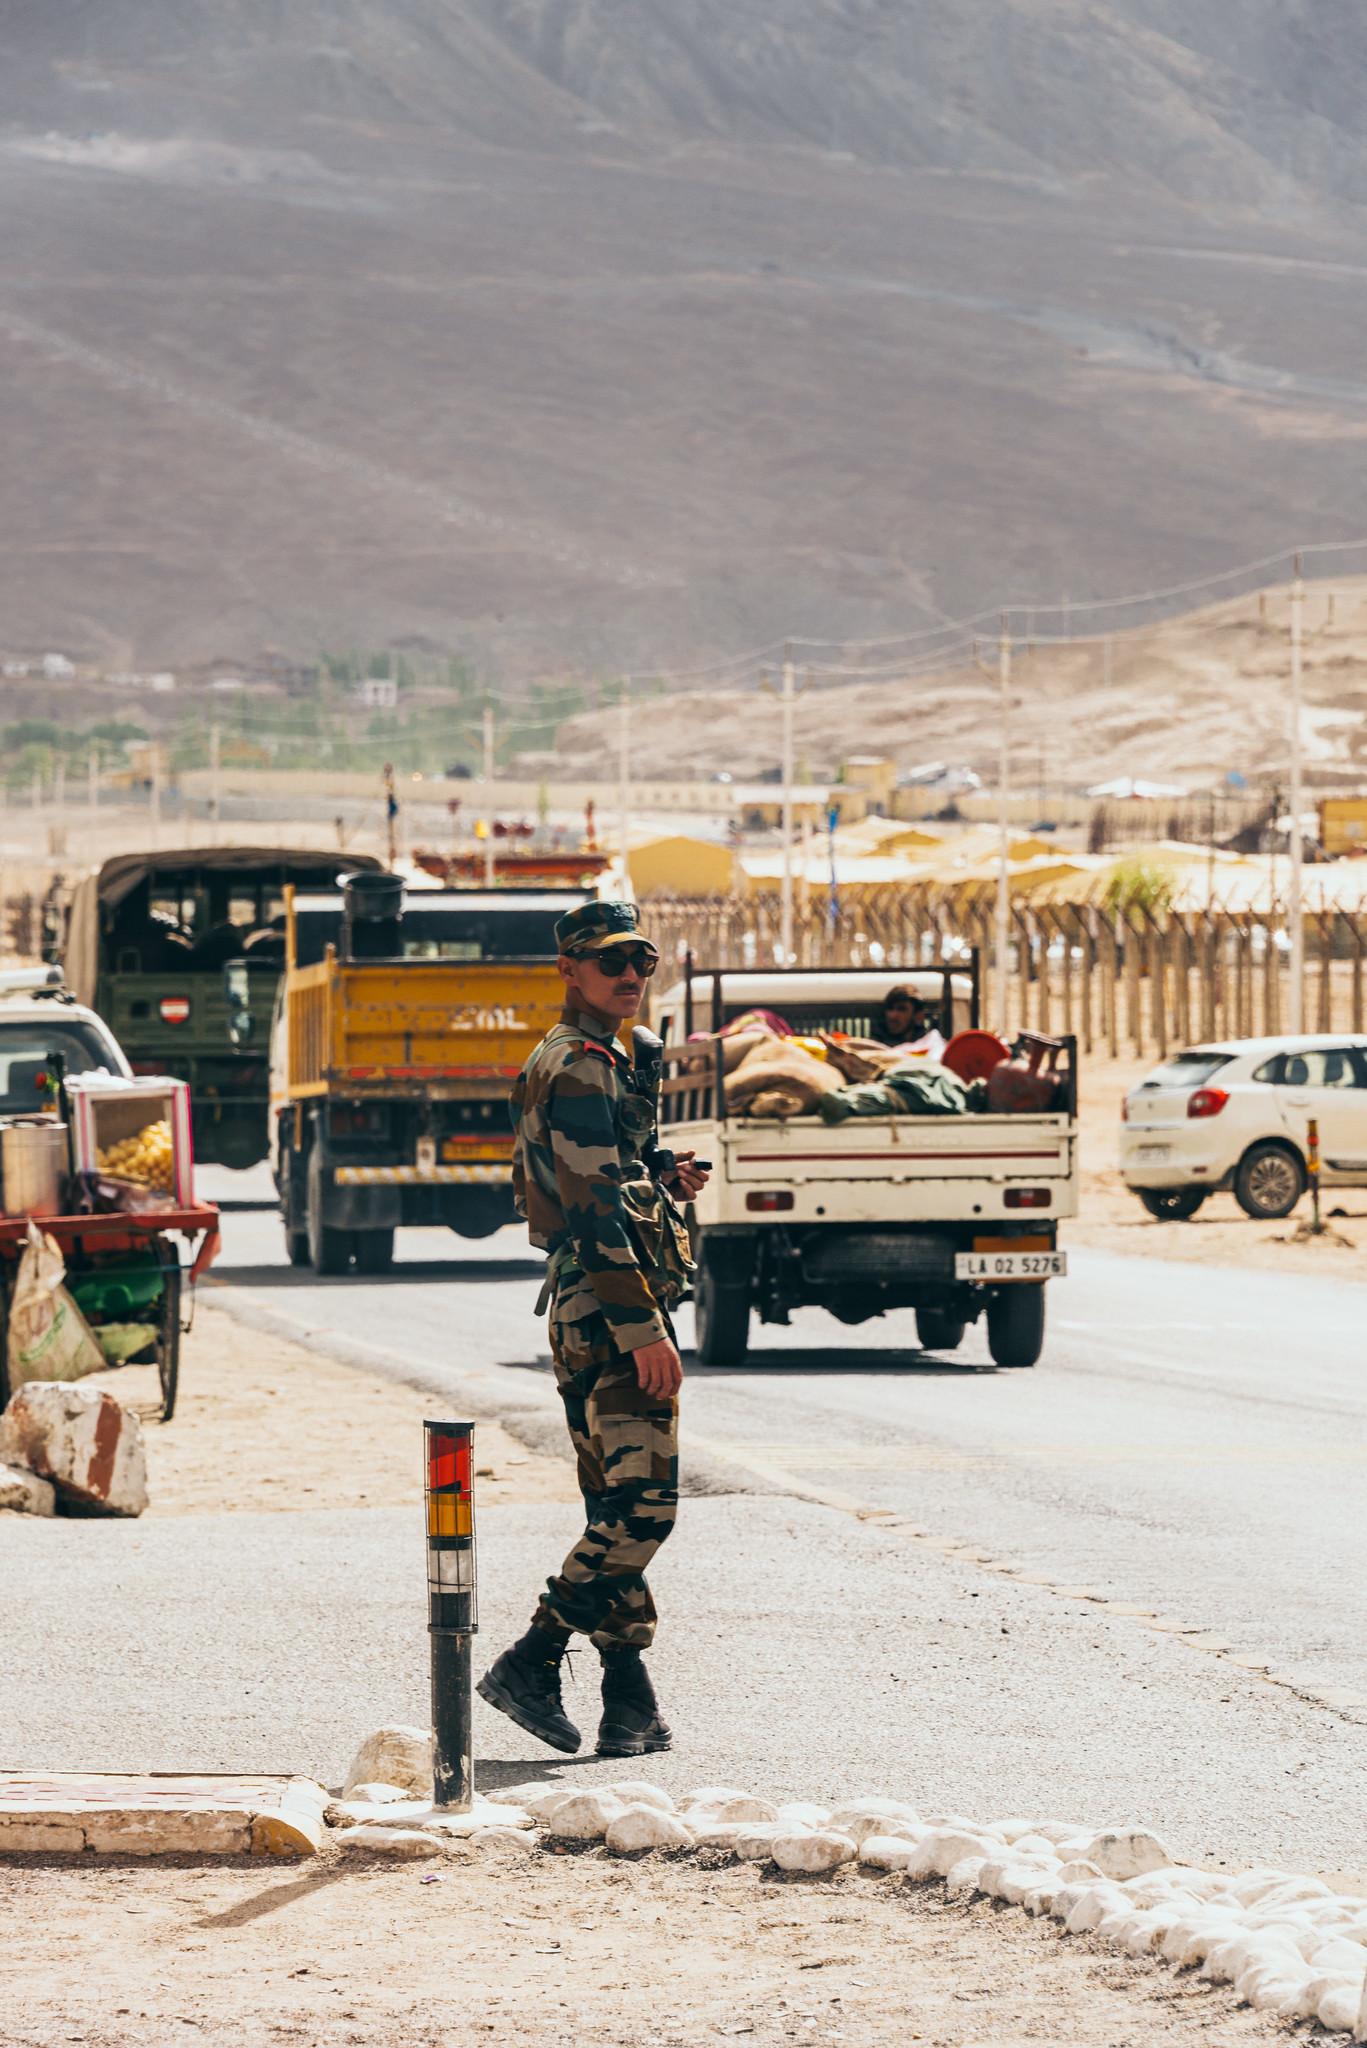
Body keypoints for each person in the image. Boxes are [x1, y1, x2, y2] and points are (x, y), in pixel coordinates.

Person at [477, 901, 709, 1758]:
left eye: (641, 960)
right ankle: (531, 1658)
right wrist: (642, 1326)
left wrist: (661, 1176)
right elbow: (592, 1206)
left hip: (591, 1302)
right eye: (609, 961)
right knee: (644, 1511)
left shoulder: (610, 1060)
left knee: (613, 1506)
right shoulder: (577, 1067)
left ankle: (628, 1698)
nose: (629, 975)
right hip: (608, 1306)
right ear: (568, 969)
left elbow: (611, 1175)